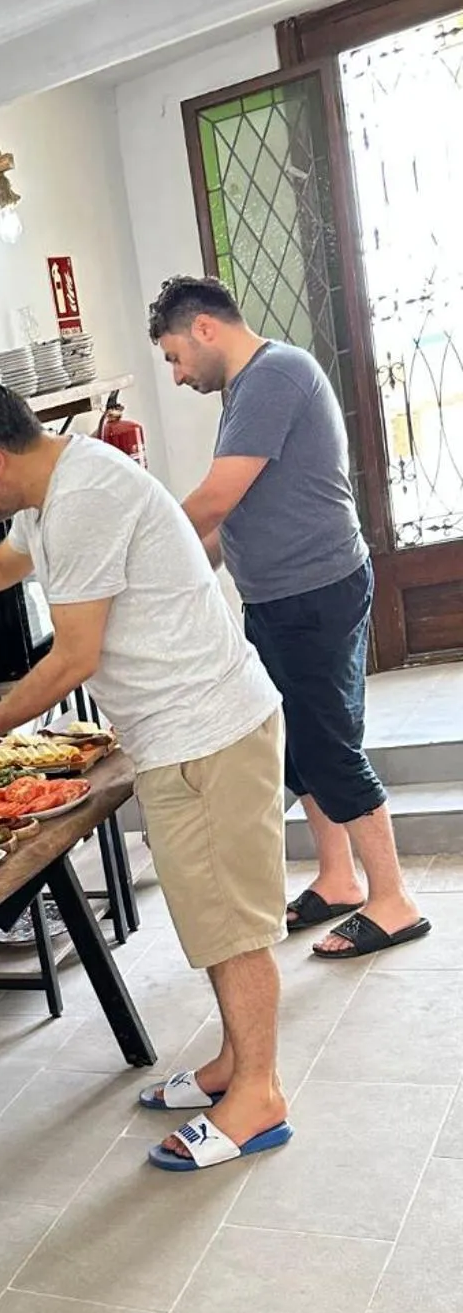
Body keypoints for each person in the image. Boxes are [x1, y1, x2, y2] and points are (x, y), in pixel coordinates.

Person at [0, 379, 289, 1174]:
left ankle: (258, 1095)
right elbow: (0, 563)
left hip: (208, 727)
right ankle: (235, 1064)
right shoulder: (56, 487)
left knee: (234, 922)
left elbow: (74, 657)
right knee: (213, 917)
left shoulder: (87, 494)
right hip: (182, 729)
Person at [149, 274, 429, 960]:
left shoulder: (274, 375)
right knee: (296, 747)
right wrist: (177, 587)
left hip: (314, 594)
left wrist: (137, 552)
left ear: (205, 328)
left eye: (175, 357)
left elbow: (214, 500)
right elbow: (232, 518)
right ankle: (338, 880)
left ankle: (392, 899)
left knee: (329, 746)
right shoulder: (247, 388)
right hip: (281, 598)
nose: (179, 375)